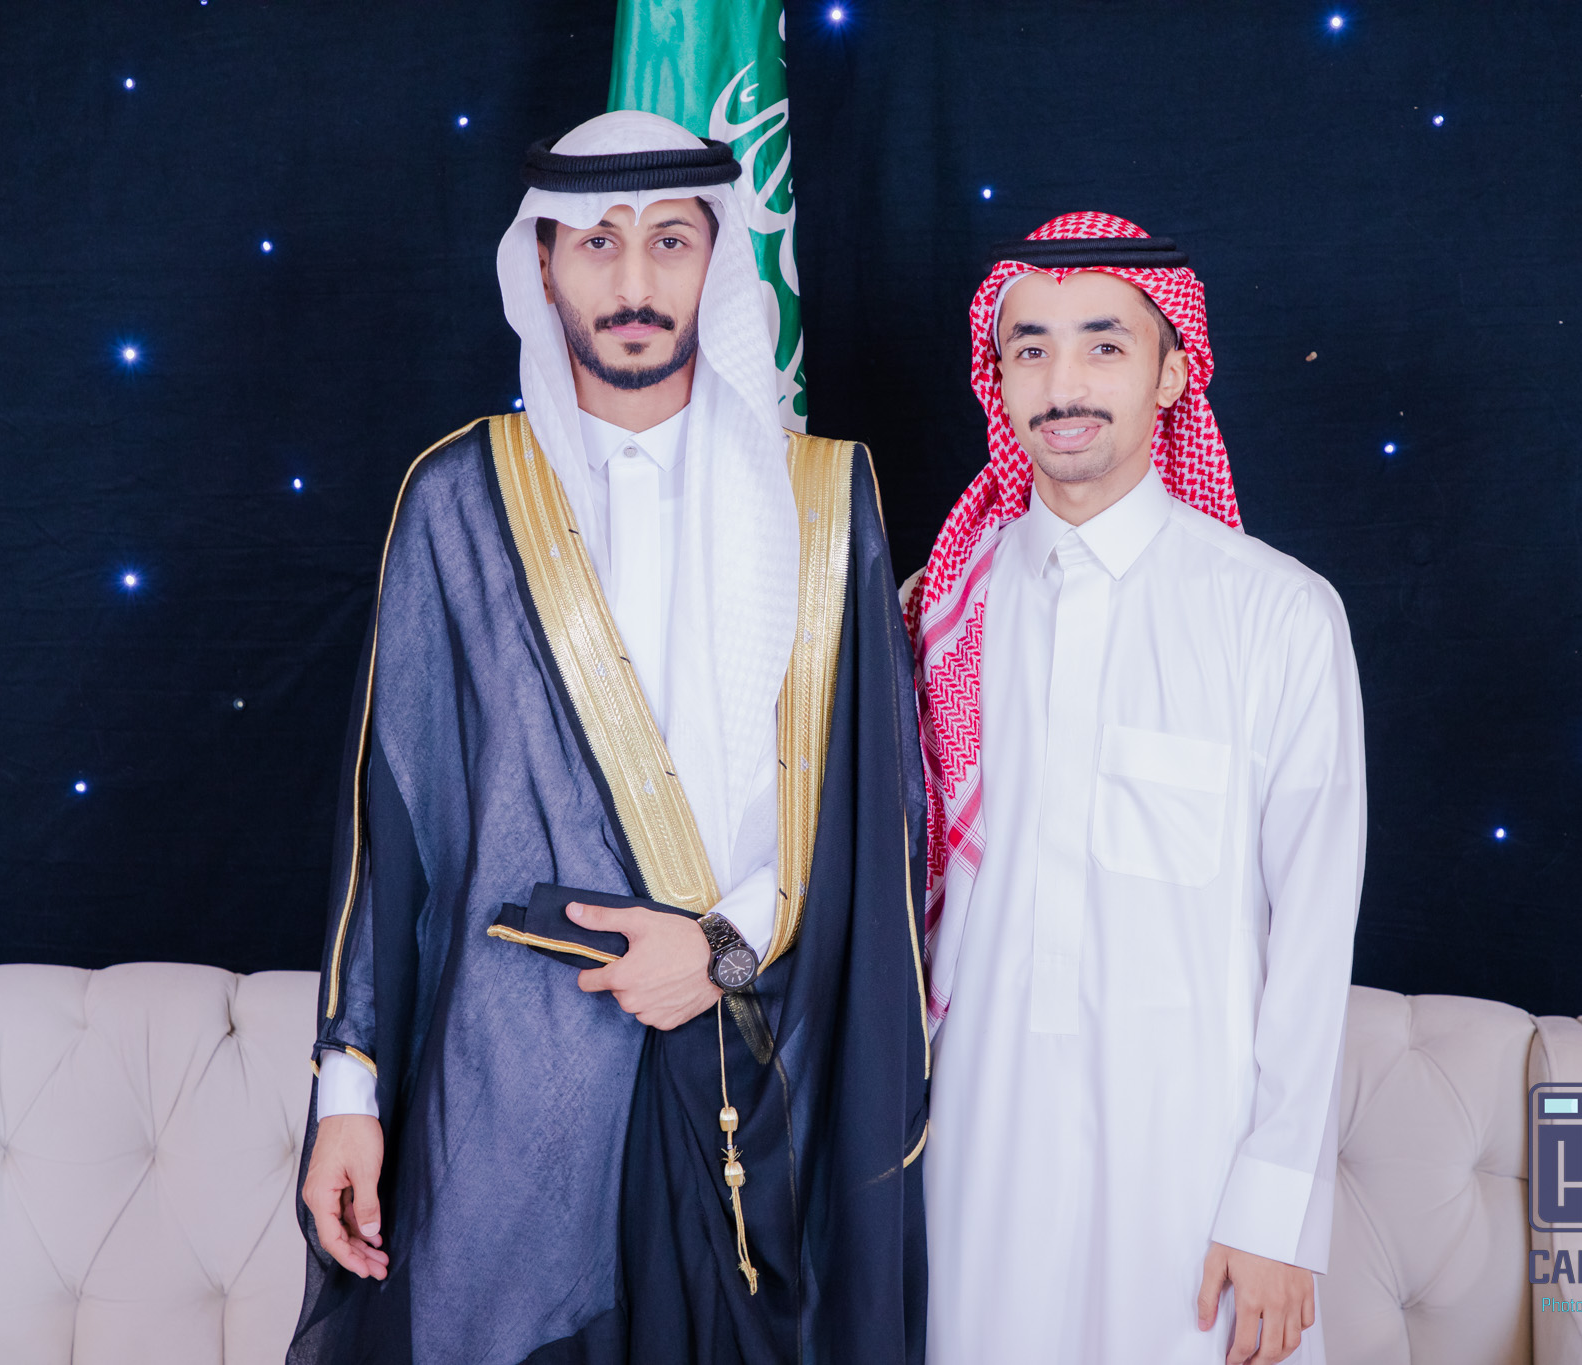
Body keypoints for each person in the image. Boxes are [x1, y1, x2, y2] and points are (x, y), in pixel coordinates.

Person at [288, 111, 929, 1365]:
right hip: (512, 1085)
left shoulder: (822, 497)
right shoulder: (457, 499)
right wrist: (347, 1092)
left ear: (716, 260)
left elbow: (871, 809)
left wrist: (720, 950)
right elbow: (391, 831)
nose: (634, 282)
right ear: (541, 264)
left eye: (669, 241)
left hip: (752, 1062)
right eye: (596, 242)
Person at [908, 212, 1365, 1365]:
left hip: (1194, 1161)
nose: (1061, 383)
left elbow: (1313, 935)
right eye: (1029, 348)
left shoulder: (1275, 614)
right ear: (997, 379)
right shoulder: (936, 612)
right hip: (976, 1142)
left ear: (1171, 373)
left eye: (1103, 345)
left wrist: (1274, 1210)